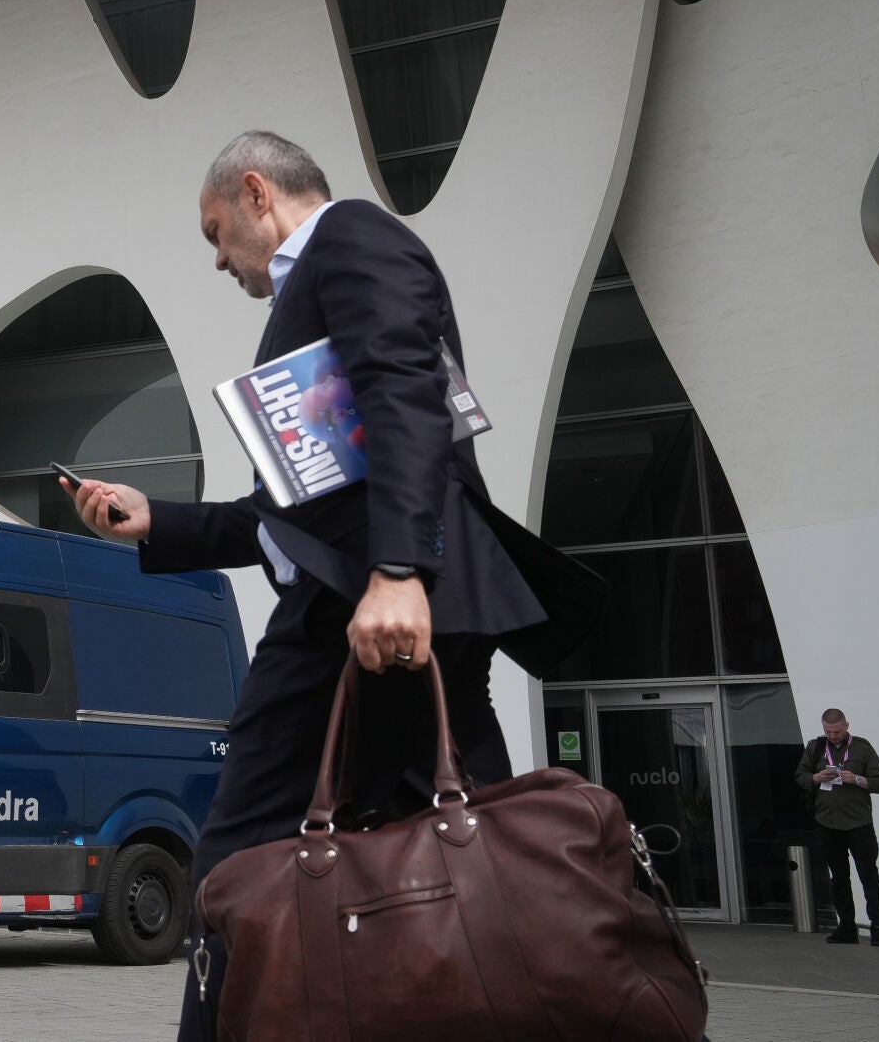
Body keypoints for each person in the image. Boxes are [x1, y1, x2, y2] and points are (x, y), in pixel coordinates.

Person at [64, 130, 602, 1040]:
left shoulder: (354, 238)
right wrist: (156, 518)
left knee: (241, 850)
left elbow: (405, 392)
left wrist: (399, 571)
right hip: (385, 597)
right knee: (463, 842)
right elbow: (299, 512)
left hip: (361, 609)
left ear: (255, 193)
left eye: (215, 235)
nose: (219, 262)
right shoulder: (331, 284)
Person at [793, 708, 879, 945]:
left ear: (847, 725)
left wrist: (857, 779)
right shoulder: (815, 747)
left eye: (837, 731)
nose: (833, 736)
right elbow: (800, 775)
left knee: (868, 875)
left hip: (858, 822)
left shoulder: (862, 748)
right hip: (826, 821)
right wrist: (817, 778)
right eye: (828, 731)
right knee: (838, 876)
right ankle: (846, 927)